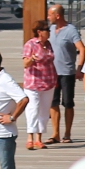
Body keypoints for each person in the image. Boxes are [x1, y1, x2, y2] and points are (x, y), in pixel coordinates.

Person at [47, 4, 84, 144]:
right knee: (53, 102)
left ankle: (67, 133)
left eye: (50, 14)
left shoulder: (71, 30)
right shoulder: (50, 29)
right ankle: (55, 133)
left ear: (58, 15)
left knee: (68, 103)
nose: (48, 17)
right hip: (52, 72)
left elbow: (81, 49)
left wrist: (79, 69)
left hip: (67, 72)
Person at [20, 20, 56, 150]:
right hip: (33, 82)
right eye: (47, 30)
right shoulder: (30, 44)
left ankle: (39, 138)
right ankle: (30, 137)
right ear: (39, 32)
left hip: (48, 82)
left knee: (44, 111)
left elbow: (51, 61)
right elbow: (25, 64)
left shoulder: (48, 44)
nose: (49, 32)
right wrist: (32, 59)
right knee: (32, 109)